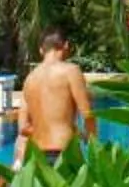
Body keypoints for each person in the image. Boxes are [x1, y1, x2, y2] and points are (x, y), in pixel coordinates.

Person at [16, 31, 93, 160]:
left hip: (37, 156)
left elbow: (23, 127)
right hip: (64, 152)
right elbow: (87, 113)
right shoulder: (71, 71)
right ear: (66, 45)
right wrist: (91, 140)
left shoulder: (29, 79)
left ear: (41, 51)